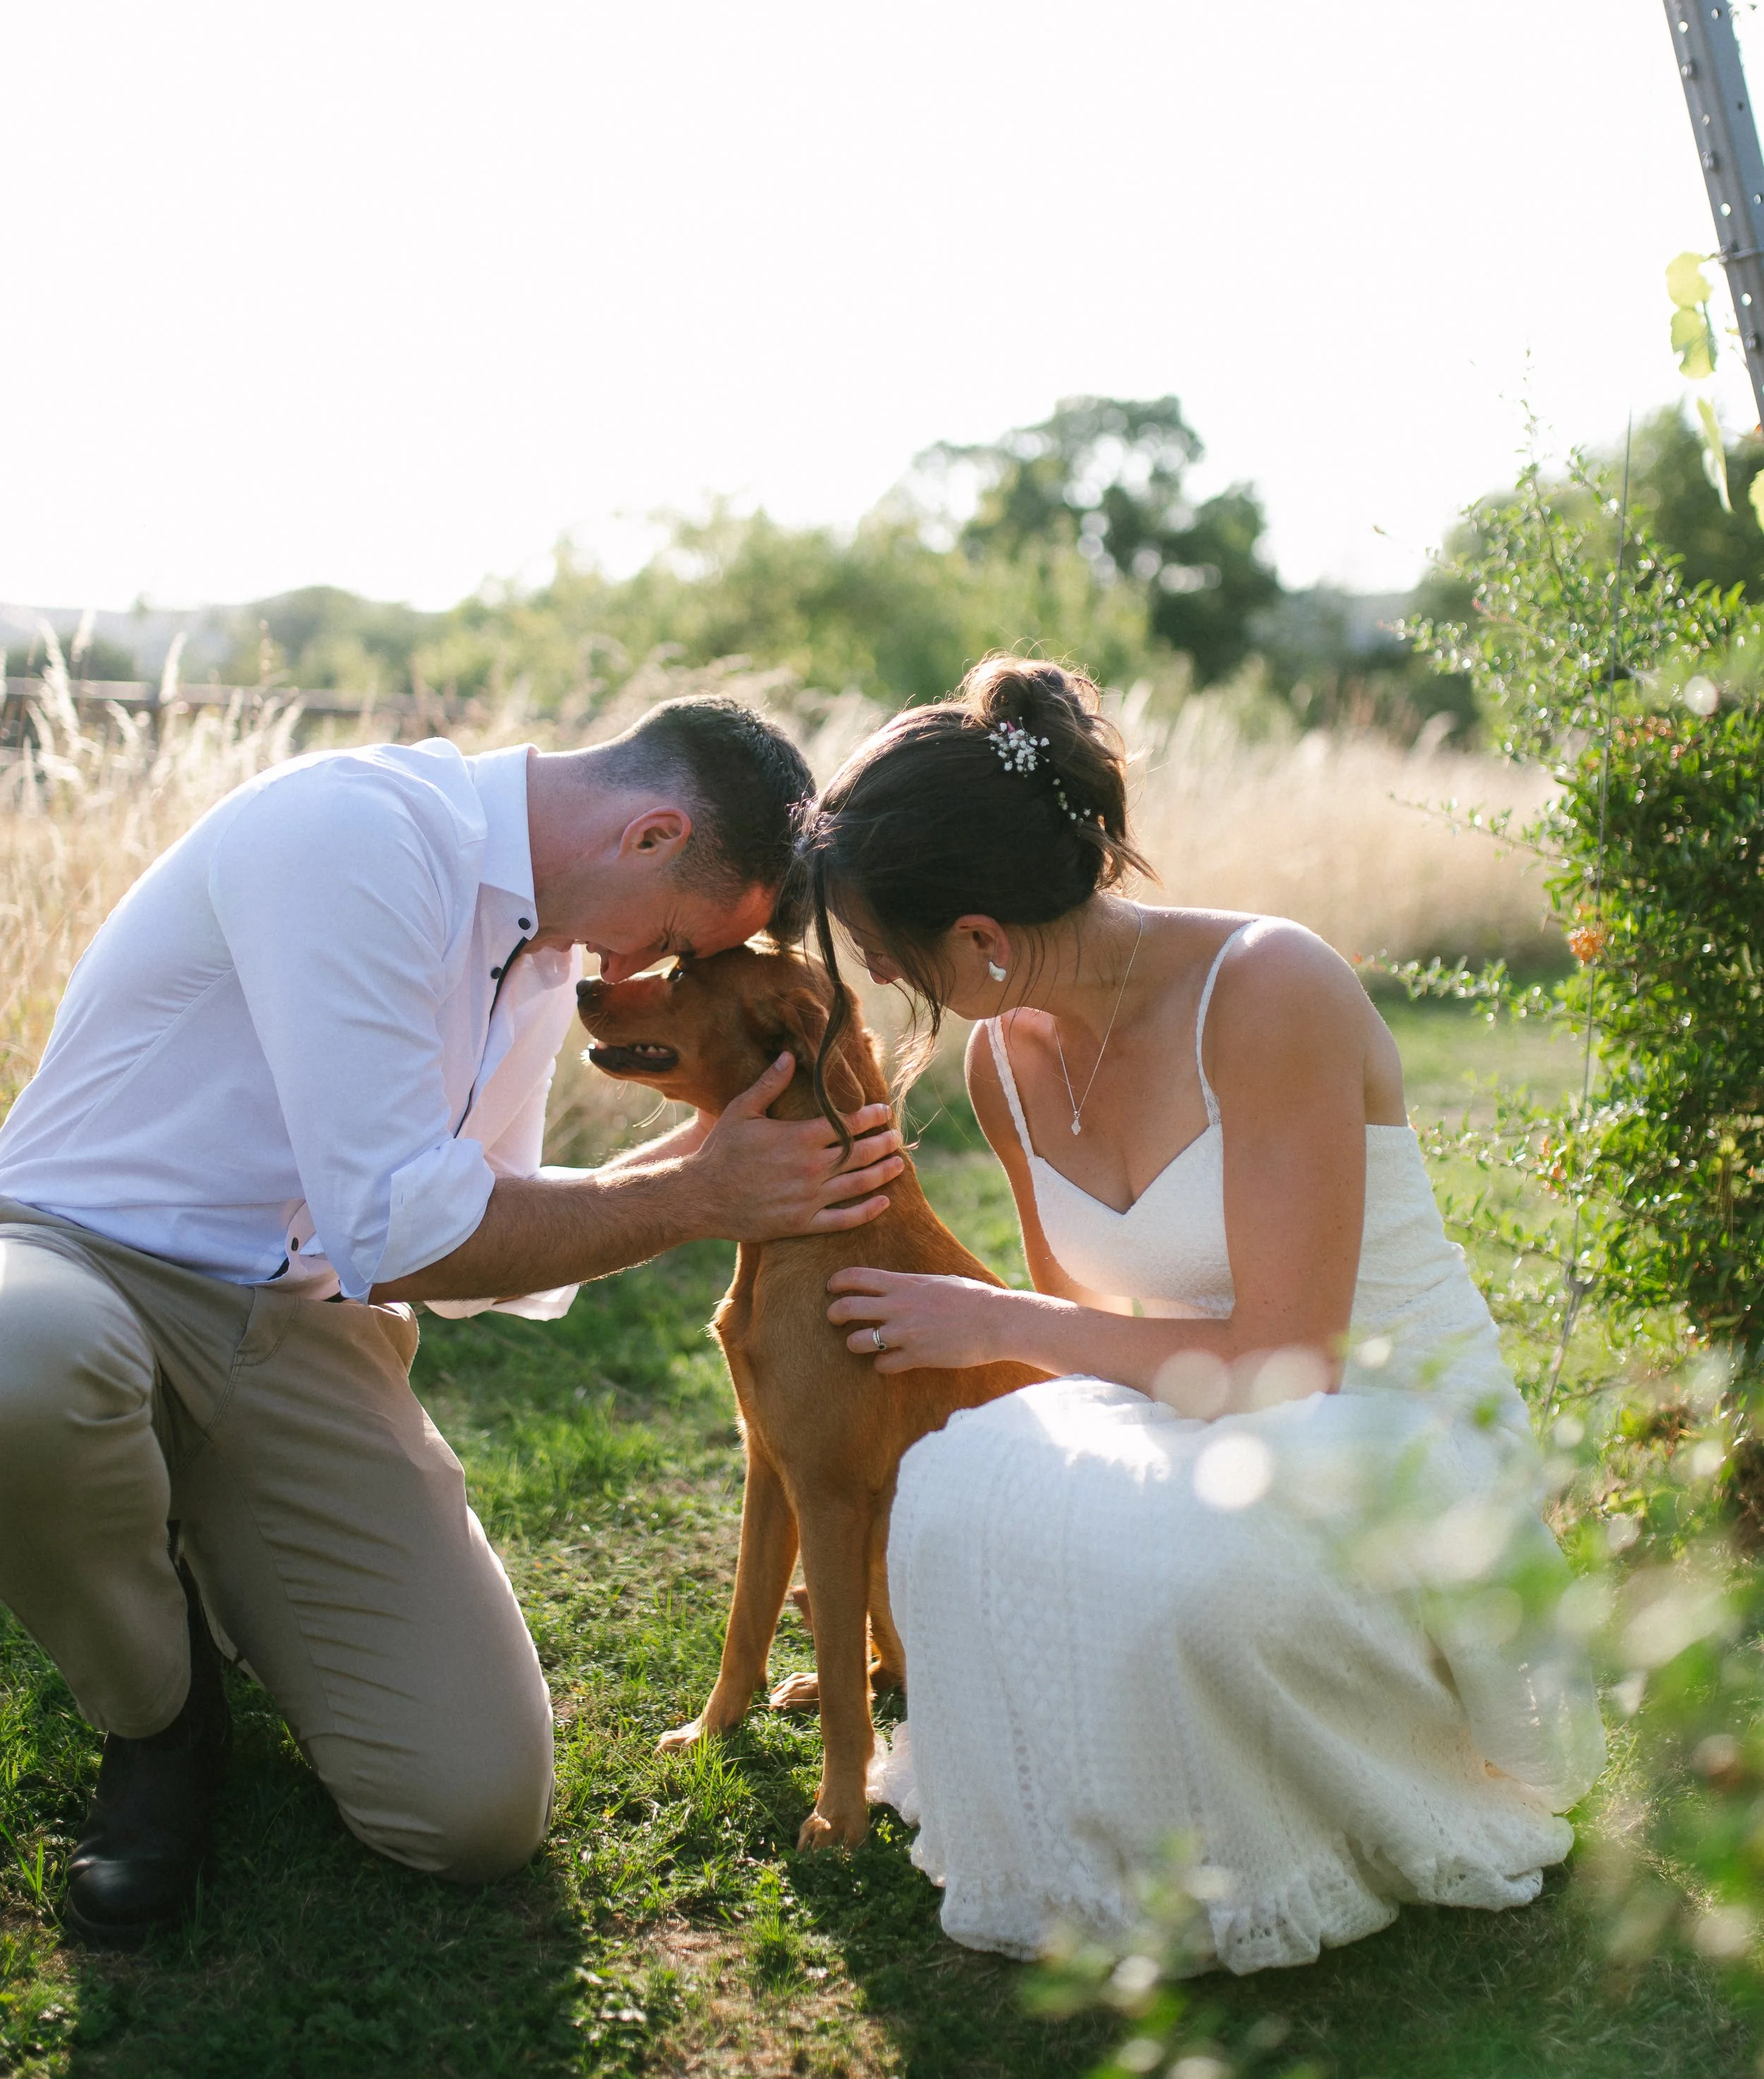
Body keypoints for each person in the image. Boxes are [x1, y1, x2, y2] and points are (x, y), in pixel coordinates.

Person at [0, 698, 905, 1947]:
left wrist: (696, 1164)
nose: (641, 976)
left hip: (298, 1326)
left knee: (473, 1810)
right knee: (21, 1363)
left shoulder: (539, 957)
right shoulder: (352, 832)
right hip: (75, 1256)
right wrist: (693, 1194)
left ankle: (206, 1533)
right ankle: (157, 1712)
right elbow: (404, 1230)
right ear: (651, 835)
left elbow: (470, 1259)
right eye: (681, 942)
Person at [800, 657, 1605, 1973]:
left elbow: (1285, 1366)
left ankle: (1284, 1834)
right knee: (946, 1495)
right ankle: (1113, 1814)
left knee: (1189, 1573)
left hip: (1383, 1423)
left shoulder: (1271, 985)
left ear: (983, 940)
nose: (899, 992)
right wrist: (1008, 1334)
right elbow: (1095, 1332)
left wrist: (991, 1321)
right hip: (1194, 1403)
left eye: (899, 960)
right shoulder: (1009, 1058)